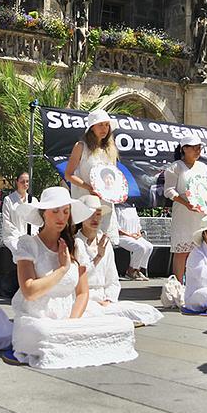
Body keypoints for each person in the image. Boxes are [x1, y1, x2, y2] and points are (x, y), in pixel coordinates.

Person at [10, 186, 137, 368]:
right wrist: (62, 269)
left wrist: (72, 323)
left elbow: (82, 293)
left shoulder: (76, 245)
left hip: (72, 317)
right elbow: (29, 291)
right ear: (43, 214)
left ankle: (71, 336)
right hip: (38, 318)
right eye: (55, 211)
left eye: (65, 211)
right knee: (45, 334)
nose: (61, 217)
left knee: (123, 325)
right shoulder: (28, 244)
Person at [75, 196, 162, 325]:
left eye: (98, 214)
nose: (95, 219)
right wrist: (98, 256)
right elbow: (80, 276)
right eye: (90, 214)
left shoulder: (104, 242)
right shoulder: (76, 242)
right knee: (90, 313)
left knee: (146, 311)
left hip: (104, 299)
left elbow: (113, 279)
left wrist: (109, 299)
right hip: (84, 299)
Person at [65, 109, 121, 241]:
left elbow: (114, 176)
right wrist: (89, 187)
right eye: (100, 124)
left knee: (104, 243)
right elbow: (68, 174)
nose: (105, 128)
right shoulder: (81, 146)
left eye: (107, 125)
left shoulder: (110, 150)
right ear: (92, 127)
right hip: (86, 202)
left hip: (106, 203)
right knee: (84, 241)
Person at [164, 134, 207, 281]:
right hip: (183, 213)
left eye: (199, 147)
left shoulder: (203, 167)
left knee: (199, 249)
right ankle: (178, 285)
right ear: (185, 149)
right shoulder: (175, 168)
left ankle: (196, 282)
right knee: (182, 251)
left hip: (200, 213)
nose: (198, 151)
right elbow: (169, 191)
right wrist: (186, 203)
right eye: (194, 147)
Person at [2, 171, 37, 258]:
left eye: (27, 181)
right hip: (13, 237)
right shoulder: (8, 200)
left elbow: (36, 221)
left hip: (30, 237)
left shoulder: (33, 200)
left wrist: (32, 235)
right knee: (20, 251)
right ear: (17, 182)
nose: (25, 184)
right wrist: (20, 236)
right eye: (22, 181)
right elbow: (6, 222)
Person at [115, 203, 153, 280]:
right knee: (140, 248)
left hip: (134, 236)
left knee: (149, 247)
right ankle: (131, 271)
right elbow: (116, 227)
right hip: (121, 237)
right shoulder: (115, 208)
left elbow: (138, 224)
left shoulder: (132, 208)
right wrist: (129, 235)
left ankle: (138, 270)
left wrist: (138, 234)